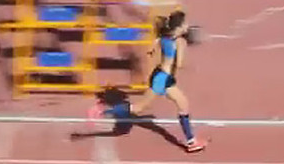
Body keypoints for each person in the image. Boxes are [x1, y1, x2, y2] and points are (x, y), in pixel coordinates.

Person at [88, 12, 207, 153]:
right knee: (138, 108)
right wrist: (190, 65)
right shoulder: (180, 42)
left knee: (183, 105)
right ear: (179, 27)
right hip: (162, 80)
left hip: (163, 77)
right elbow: (179, 64)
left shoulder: (163, 38)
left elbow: (152, 50)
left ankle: (191, 141)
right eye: (185, 23)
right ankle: (102, 110)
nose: (187, 25)